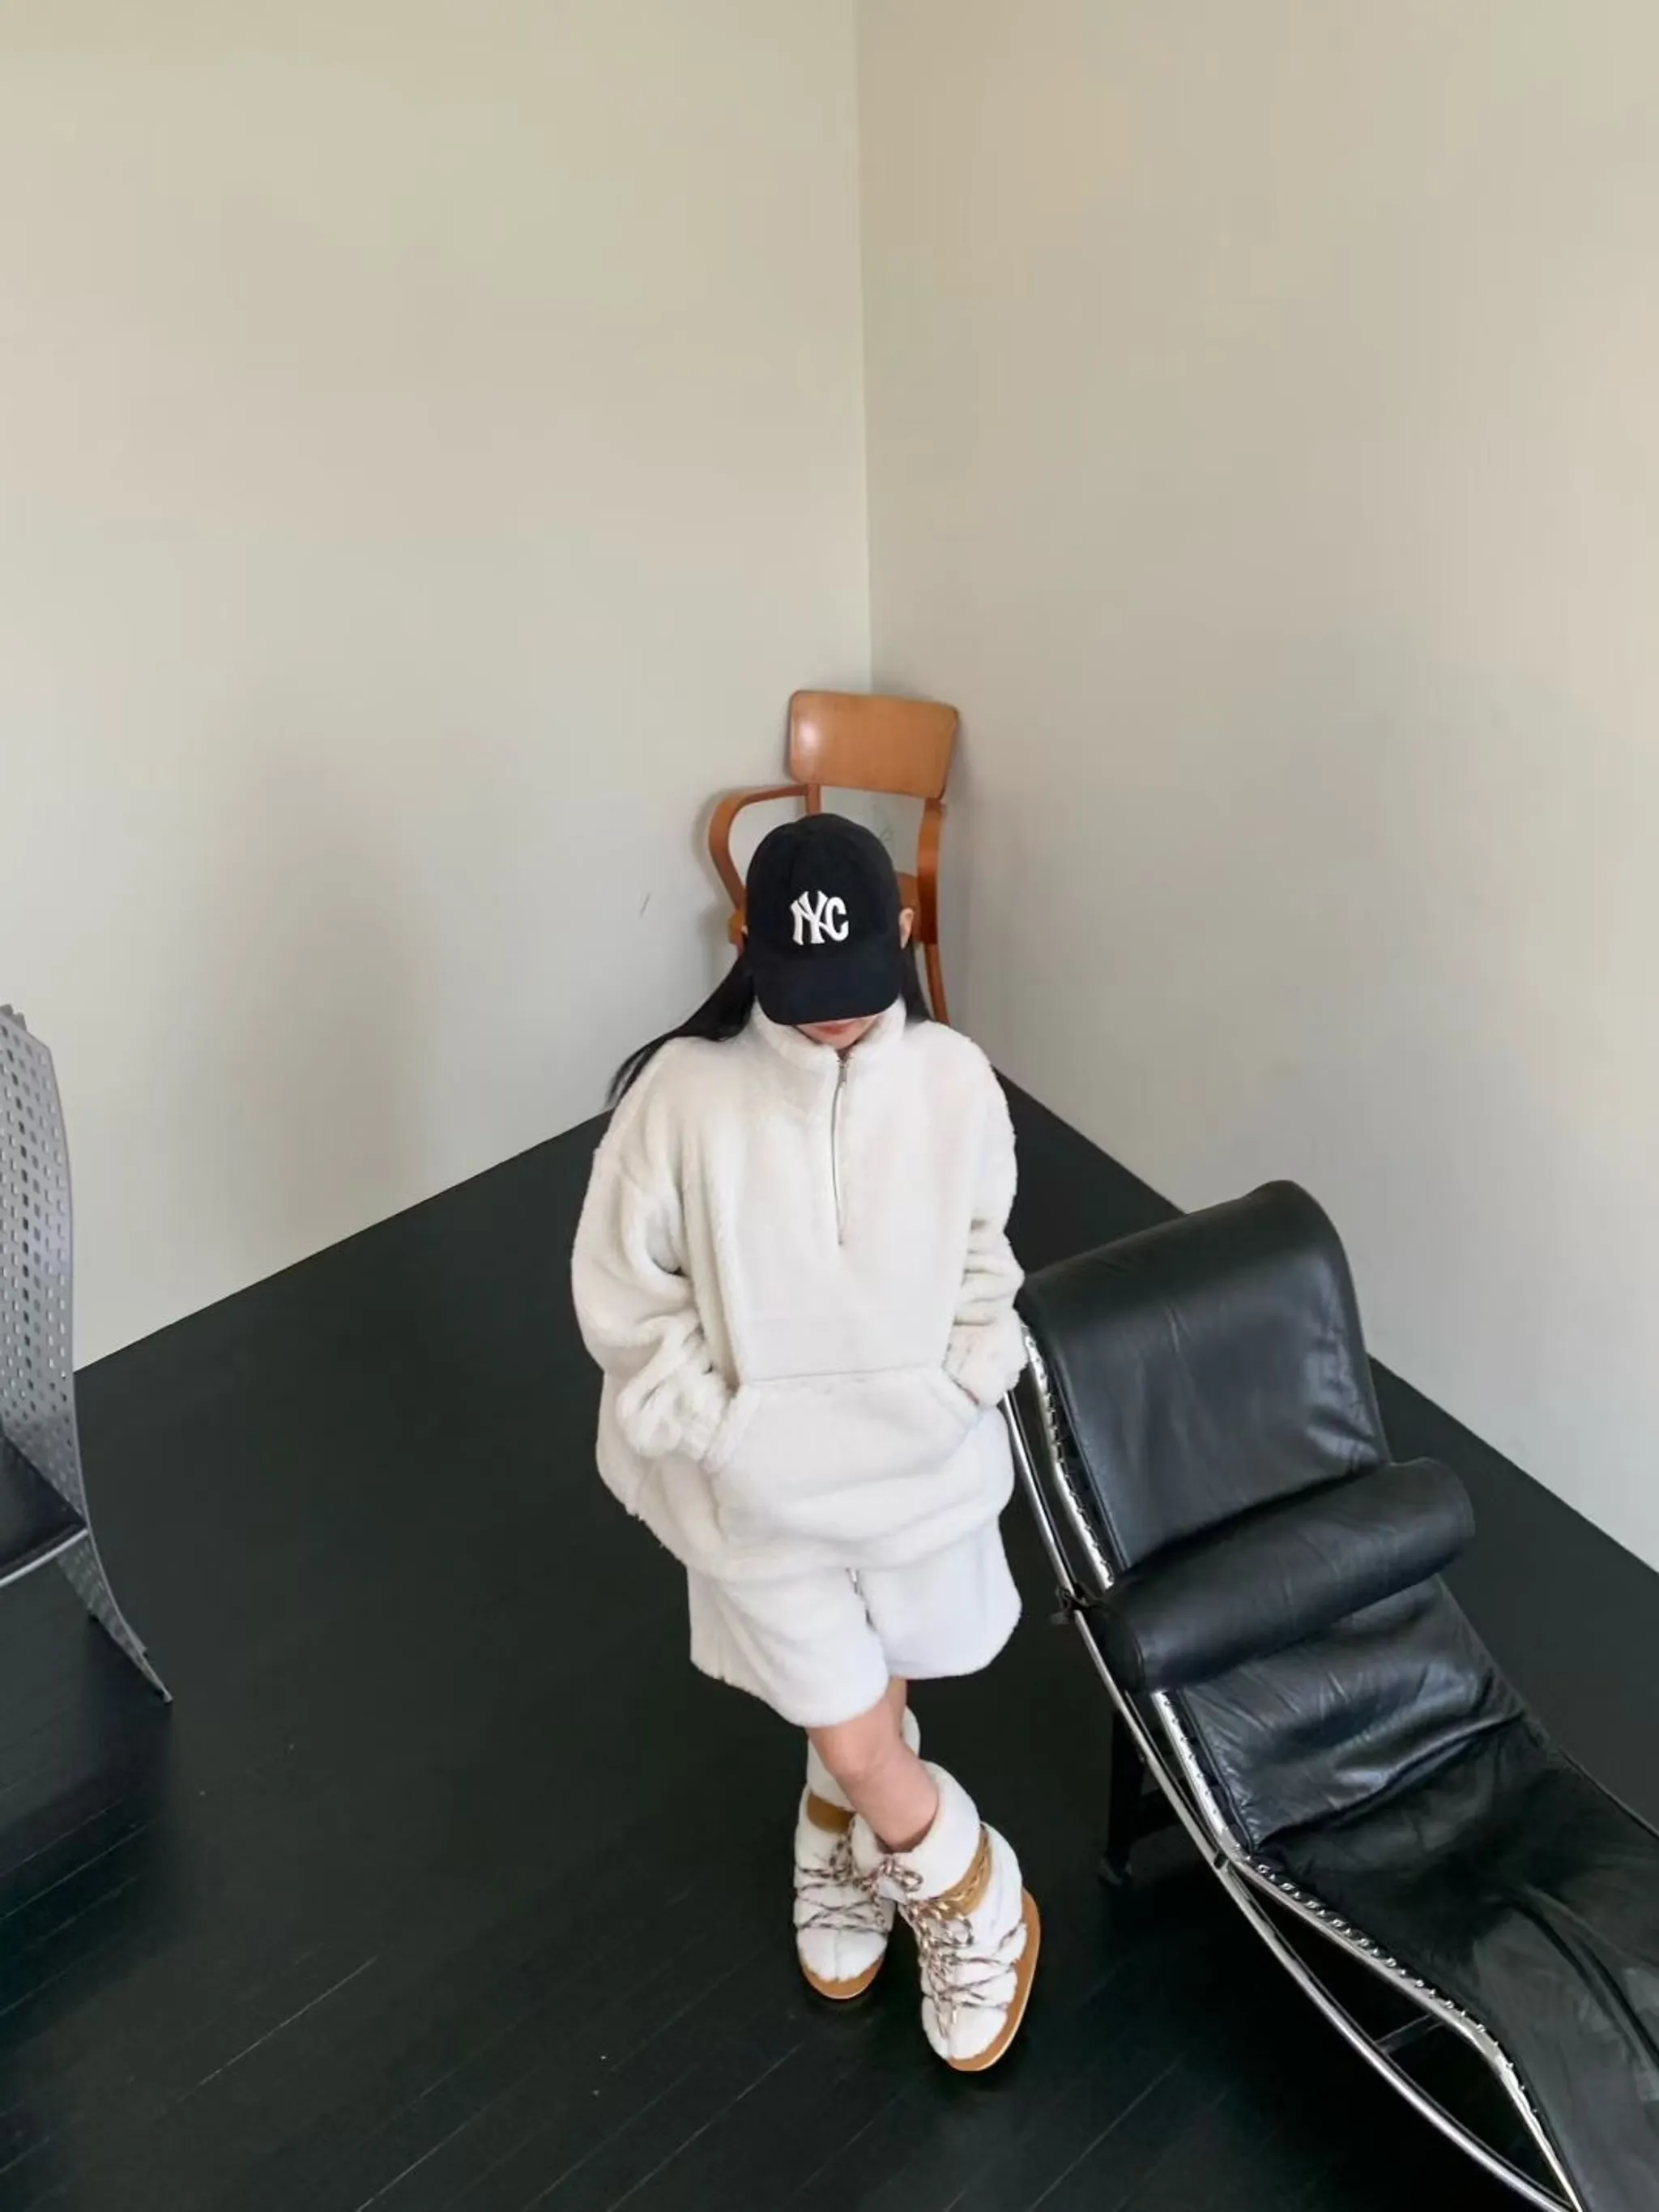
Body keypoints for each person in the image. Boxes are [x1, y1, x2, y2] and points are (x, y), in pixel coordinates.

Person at [570, 812, 1037, 2071]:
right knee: (849, 1715)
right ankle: (966, 1882)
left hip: (915, 1472)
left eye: (854, 984)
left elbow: (986, 1251)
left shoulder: (956, 1079)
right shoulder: (679, 1097)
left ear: (903, 931)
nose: (830, 1017)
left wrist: (963, 1376)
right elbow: (624, 1296)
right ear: (747, 941)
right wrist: (718, 1431)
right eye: (800, 988)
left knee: (874, 1682)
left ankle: (839, 1824)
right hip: (759, 1499)